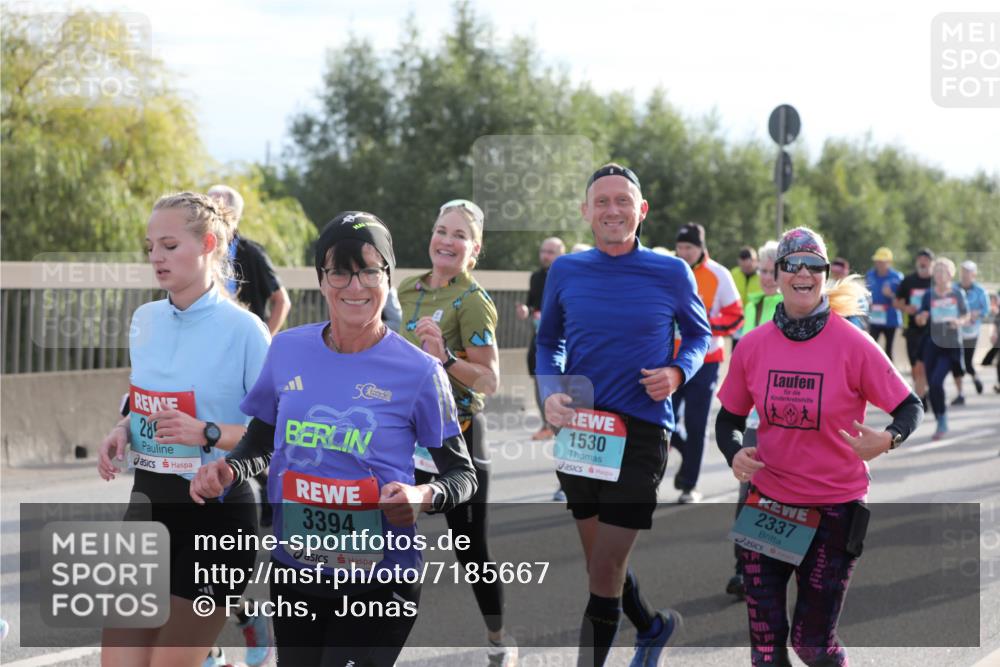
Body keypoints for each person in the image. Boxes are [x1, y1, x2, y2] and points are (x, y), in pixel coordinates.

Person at [190, 211, 477, 666]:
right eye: (339, 271)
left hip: (380, 579)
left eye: (368, 269)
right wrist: (231, 468)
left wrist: (422, 494)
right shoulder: (287, 350)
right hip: (296, 568)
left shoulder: (420, 371)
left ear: (388, 276)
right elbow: (262, 438)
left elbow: (462, 474)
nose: (354, 286)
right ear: (322, 280)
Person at [715, 226, 923, 667]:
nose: (803, 273)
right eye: (793, 264)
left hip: (835, 508)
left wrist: (886, 439)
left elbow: (909, 406)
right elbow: (729, 418)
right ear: (777, 273)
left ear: (825, 275)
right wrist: (733, 451)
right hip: (768, 506)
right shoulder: (753, 346)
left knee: (812, 645)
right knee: (766, 651)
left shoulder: (852, 343)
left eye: (814, 265)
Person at [536, 163, 712, 667]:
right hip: (581, 428)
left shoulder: (671, 271)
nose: (613, 209)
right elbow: (549, 341)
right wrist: (550, 392)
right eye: (602, 201)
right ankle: (653, 627)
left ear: (642, 210)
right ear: (586, 211)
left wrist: (678, 372)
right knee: (601, 563)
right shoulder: (566, 270)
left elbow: (700, 336)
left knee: (606, 563)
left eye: (623, 201)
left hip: (641, 429)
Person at [96, 192, 271, 667]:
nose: (156, 256)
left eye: (170, 245)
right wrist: (123, 429)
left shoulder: (246, 331)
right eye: (150, 246)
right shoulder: (144, 319)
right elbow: (144, 403)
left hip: (216, 517)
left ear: (208, 244)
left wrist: (208, 433)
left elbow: (276, 436)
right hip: (149, 508)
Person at [396, 198, 517, 666]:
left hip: (456, 439)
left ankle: (498, 637)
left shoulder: (473, 302)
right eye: (441, 230)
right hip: (404, 436)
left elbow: (488, 381)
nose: (447, 240)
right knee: (387, 537)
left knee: (471, 551)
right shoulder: (406, 289)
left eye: (459, 235)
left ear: (475, 248)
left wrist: (444, 357)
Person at [208, 184, 283, 664]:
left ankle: (243, 619)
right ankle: (211, 648)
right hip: (176, 450)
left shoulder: (249, 254)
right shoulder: (181, 274)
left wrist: (265, 341)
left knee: (217, 559)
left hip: (230, 402)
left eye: (222, 205)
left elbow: (280, 300)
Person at [725, 239, 782, 599]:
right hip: (755, 420)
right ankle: (744, 568)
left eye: (772, 271)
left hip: (791, 421)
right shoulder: (754, 303)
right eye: (762, 270)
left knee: (786, 495)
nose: (765, 277)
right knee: (748, 490)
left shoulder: (793, 306)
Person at [672, 222, 744, 503]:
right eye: (680, 247)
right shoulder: (671, 270)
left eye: (688, 247)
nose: (683, 252)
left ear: (701, 248)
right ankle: (686, 453)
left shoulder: (719, 274)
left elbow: (735, 315)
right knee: (663, 421)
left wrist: (703, 326)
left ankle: (689, 484)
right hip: (672, 360)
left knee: (696, 422)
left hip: (706, 359)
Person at [207, 185, 291, 337]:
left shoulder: (253, 253)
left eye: (213, 208)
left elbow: (282, 301)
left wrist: (264, 340)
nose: (205, 212)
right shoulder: (198, 249)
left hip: (243, 340)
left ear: (232, 215)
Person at [518, 237, 566, 441]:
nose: (545, 256)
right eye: (543, 251)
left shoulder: (567, 275)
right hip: (541, 336)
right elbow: (532, 304)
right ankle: (548, 422)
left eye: (551, 252)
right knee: (536, 372)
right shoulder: (536, 277)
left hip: (564, 336)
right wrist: (526, 310)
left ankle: (560, 421)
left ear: (561, 254)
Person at [915, 257, 970, 439]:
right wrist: (921, 318)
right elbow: (920, 318)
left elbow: (966, 315)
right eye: (937, 270)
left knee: (937, 382)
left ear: (951, 274)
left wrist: (958, 321)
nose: (939, 274)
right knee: (932, 385)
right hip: (932, 343)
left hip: (950, 344)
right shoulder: (928, 295)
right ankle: (940, 417)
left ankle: (942, 420)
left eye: (943, 270)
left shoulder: (957, 293)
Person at [896, 249, 935, 405]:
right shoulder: (908, 280)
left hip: (932, 329)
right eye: (920, 259)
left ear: (931, 263)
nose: (923, 262)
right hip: (912, 329)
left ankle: (927, 392)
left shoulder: (936, 280)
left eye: (926, 259)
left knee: (928, 363)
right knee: (915, 364)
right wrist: (906, 309)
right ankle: (921, 393)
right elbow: (897, 301)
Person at [951, 260, 989, 404]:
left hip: (972, 332)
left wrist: (976, 314)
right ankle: (960, 394)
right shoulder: (953, 288)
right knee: (956, 362)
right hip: (955, 332)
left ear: (974, 274)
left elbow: (986, 311)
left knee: (967, 363)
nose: (965, 275)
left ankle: (975, 378)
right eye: (963, 271)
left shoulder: (980, 291)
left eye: (968, 272)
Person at [865, 247, 903, 361]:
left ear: (889, 262)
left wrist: (890, 295)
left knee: (888, 350)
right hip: (874, 317)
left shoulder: (897, 277)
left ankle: (889, 376)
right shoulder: (870, 275)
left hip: (890, 318)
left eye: (882, 261)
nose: (879, 264)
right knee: (870, 346)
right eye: (877, 261)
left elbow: (902, 300)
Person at [730, 246, 761, 351]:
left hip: (757, 321)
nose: (746, 268)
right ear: (739, 262)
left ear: (756, 261)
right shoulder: (733, 273)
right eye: (743, 266)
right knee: (737, 351)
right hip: (738, 321)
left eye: (749, 265)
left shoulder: (763, 275)